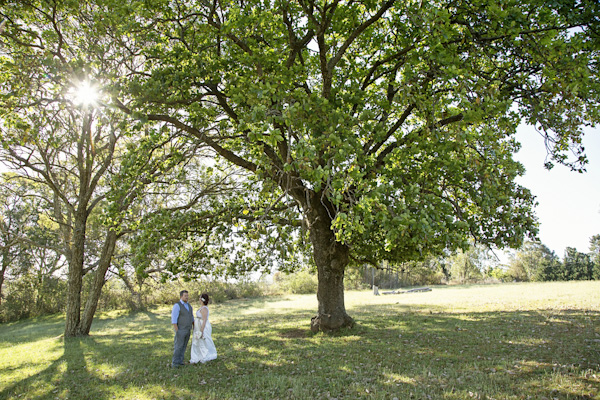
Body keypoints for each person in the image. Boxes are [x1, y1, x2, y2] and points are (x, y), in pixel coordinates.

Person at [190, 293, 217, 364]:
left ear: (201, 300)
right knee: (198, 340)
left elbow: (204, 320)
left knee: (204, 339)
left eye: (199, 298)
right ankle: (199, 355)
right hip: (198, 325)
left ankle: (206, 355)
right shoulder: (202, 307)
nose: (198, 299)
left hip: (203, 326)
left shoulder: (204, 309)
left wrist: (201, 331)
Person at [171, 290, 194, 368]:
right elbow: (174, 319)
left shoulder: (189, 305)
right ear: (181, 296)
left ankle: (180, 361)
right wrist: (177, 330)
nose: (187, 297)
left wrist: (193, 326)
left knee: (184, 346)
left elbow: (191, 316)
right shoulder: (177, 305)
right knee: (178, 346)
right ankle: (175, 363)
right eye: (185, 296)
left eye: (187, 296)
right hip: (181, 329)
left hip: (188, 329)